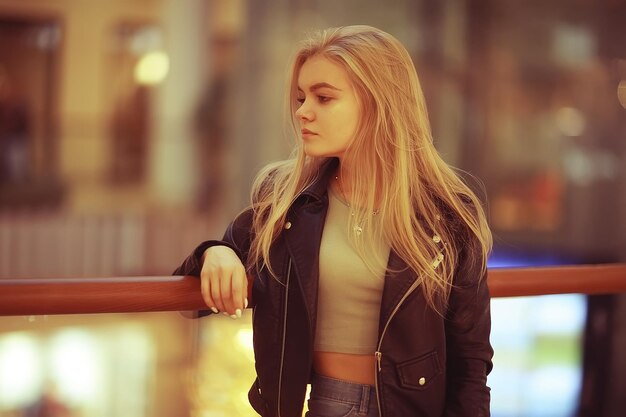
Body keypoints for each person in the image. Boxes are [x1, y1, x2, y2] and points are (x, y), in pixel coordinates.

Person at [174, 25, 493, 417]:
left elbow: (471, 360)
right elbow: (195, 293)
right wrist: (216, 252)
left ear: (378, 102)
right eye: (301, 97)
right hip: (325, 404)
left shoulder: (447, 211)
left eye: (324, 98)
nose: (303, 111)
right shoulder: (286, 199)